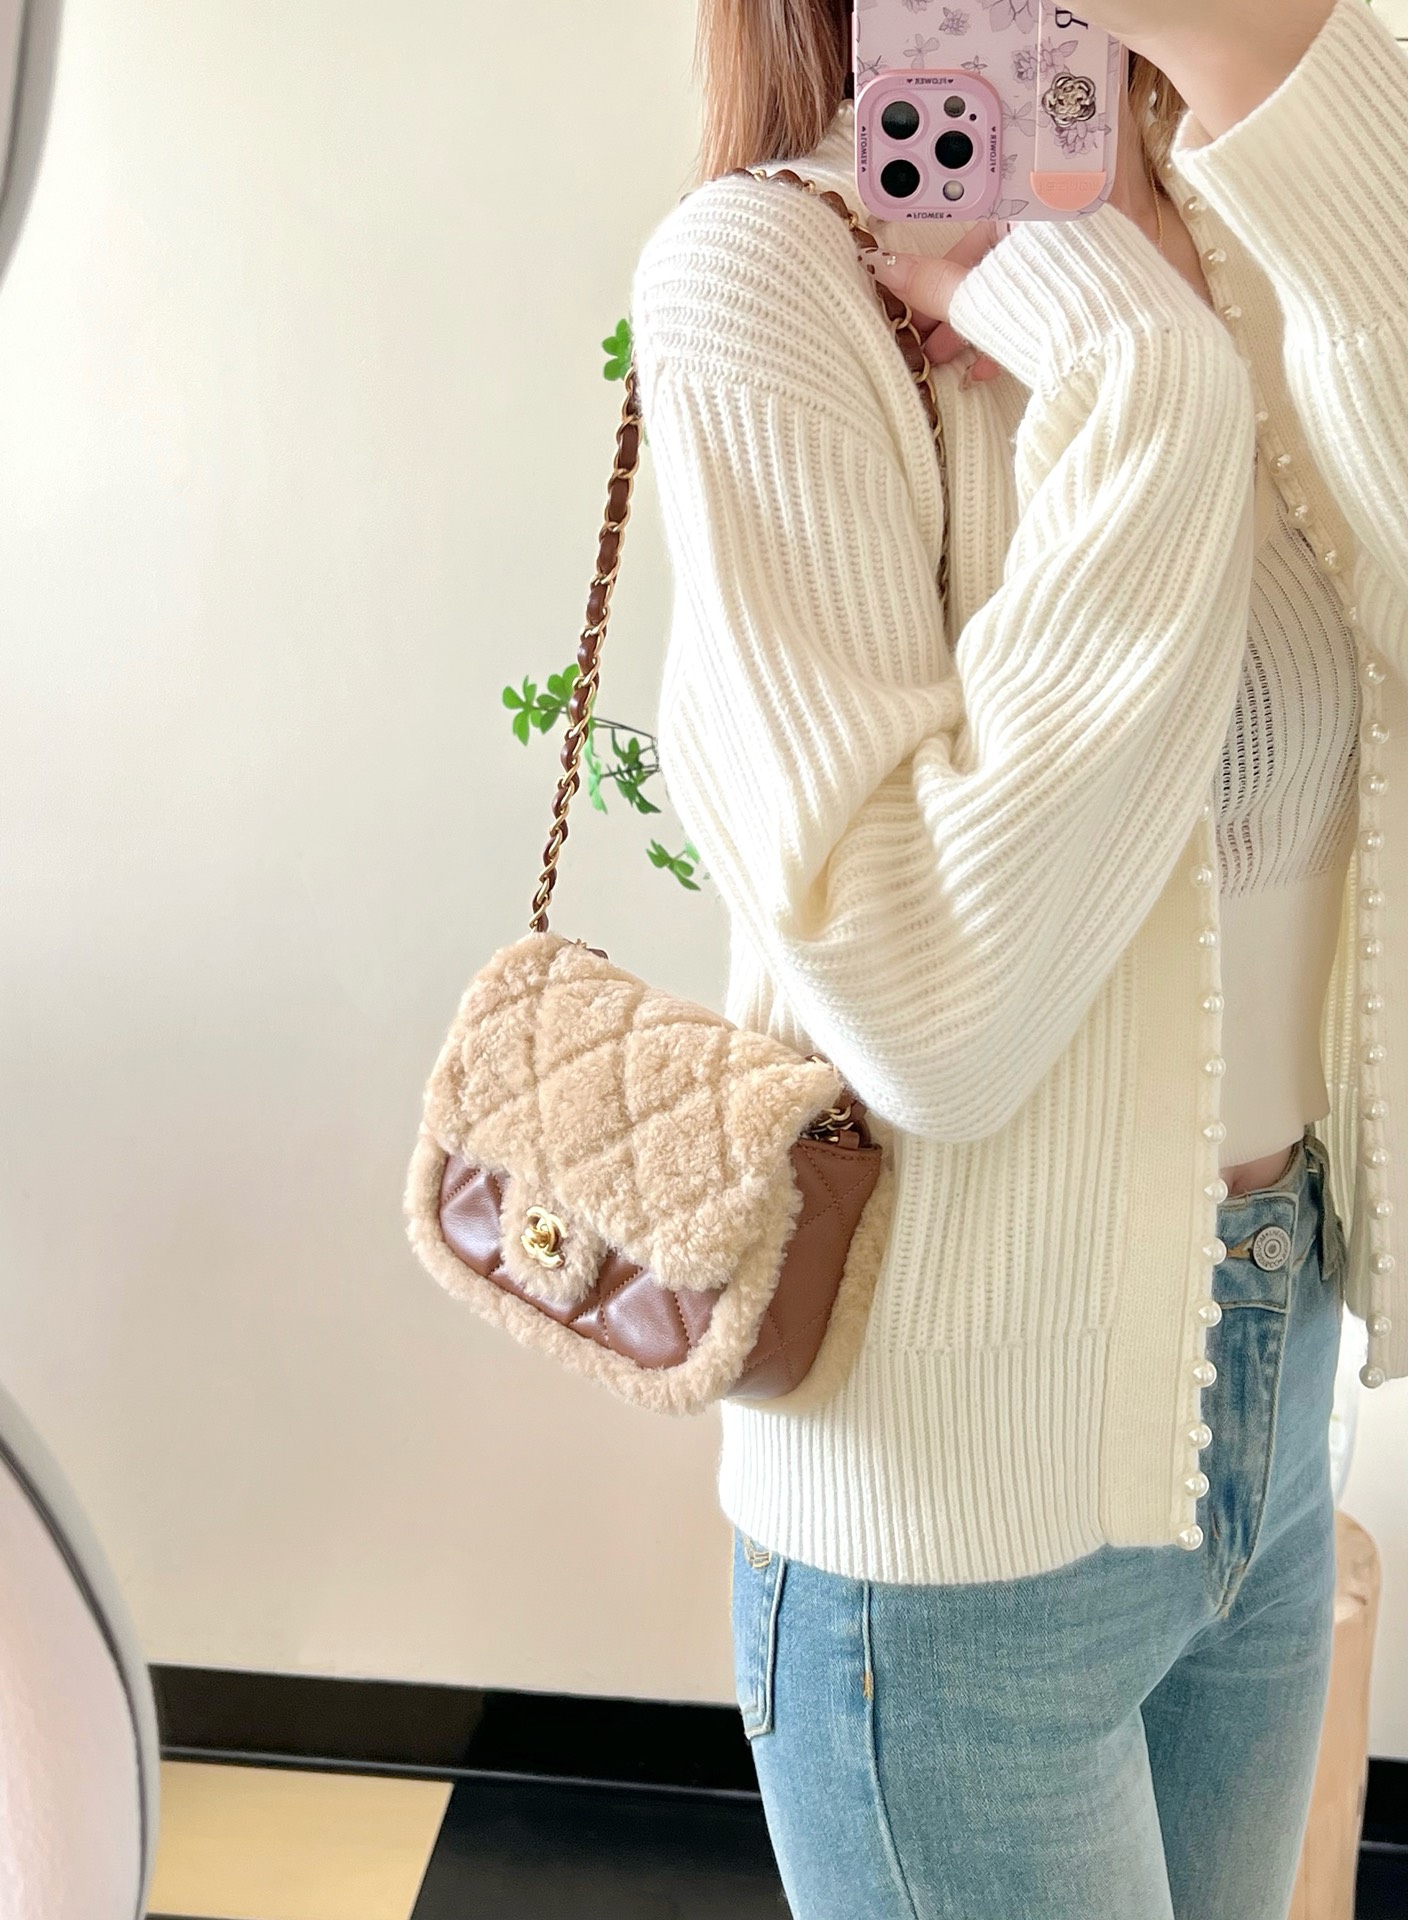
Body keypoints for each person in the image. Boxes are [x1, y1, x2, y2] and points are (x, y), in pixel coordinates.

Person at [629, 0, 1408, 1913]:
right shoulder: (771, 273)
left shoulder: (1254, 217)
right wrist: (1141, 371)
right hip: (948, 1511)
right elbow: (929, 1007)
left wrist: (1279, 63)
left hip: (1267, 1392)